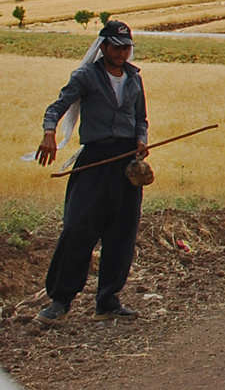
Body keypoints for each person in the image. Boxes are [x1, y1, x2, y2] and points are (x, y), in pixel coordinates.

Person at [33, 19, 150, 324]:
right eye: (117, 47)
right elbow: (57, 106)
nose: (123, 53)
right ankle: (59, 300)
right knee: (76, 228)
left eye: (127, 48)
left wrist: (141, 142)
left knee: (121, 232)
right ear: (102, 46)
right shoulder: (87, 75)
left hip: (125, 163)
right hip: (94, 160)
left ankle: (108, 300)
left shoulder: (135, 79)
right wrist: (49, 133)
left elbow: (142, 120)